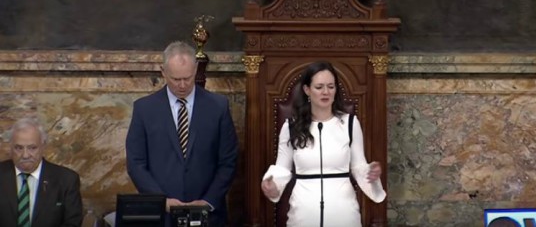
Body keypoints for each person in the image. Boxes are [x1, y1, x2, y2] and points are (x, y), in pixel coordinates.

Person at [126, 41, 239, 227]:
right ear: (163, 72)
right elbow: (136, 163)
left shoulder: (217, 106)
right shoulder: (144, 109)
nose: (182, 85)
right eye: (175, 79)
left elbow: (228, 161)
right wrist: (162, 200)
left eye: (188, 78)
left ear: (196, 69)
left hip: (208, 215)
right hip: (161, 216)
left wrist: (208, 201)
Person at [261, 61, 386, 227]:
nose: (326, 92)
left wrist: (371, 173)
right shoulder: (291, 127)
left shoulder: (350, 123)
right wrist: (272, 187)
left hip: (343, 213)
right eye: (319, 87)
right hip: (303, 214)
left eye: (331, 86)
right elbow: (282, 169)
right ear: (307, 90)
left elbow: (358, 167)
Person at [0, 117, 83, 227]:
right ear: (10, 147)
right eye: (19, 148)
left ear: (43, 147)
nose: (25, 155)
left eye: (32, 148)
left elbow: (72, 223)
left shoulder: (66, 180)